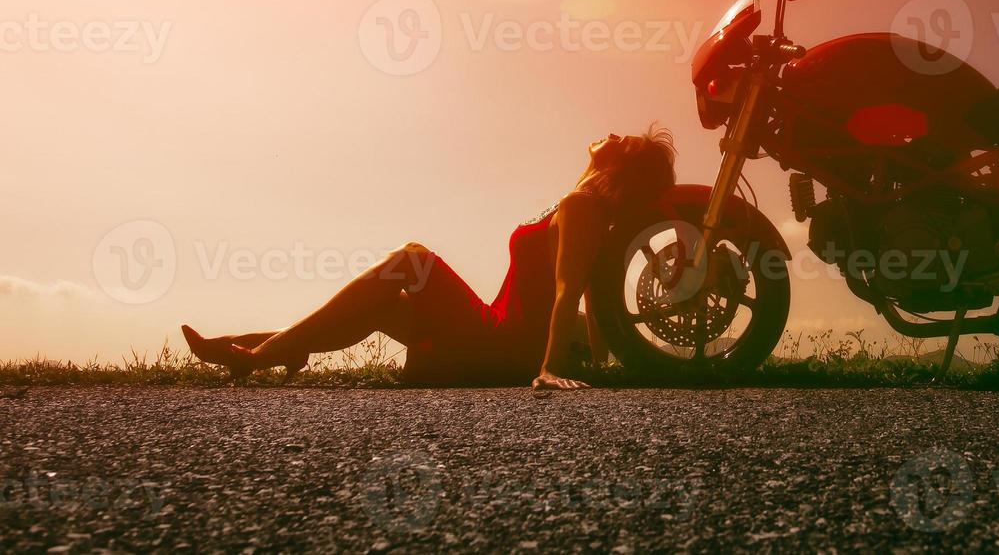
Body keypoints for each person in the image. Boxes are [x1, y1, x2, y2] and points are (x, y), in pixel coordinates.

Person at [181, 127, 676, 391]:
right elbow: (589, 292)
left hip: (503, 344)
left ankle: (267, 355)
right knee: (384, 305)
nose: (610, 133)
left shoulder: (584, 207)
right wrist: (605, 364)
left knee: (413, 259)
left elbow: (573, 288)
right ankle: (258, 348)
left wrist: (550, 368)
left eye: (622, 139)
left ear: (619, 167)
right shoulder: (576, 203)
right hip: (494, 332)